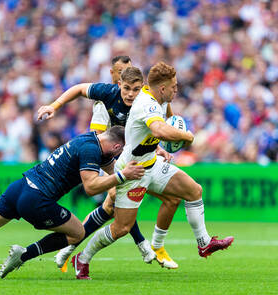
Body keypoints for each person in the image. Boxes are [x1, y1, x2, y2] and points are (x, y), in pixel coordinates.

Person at [70, 61, 234, 279]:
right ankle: (82, 258)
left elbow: (164, 124)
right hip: (132, 172)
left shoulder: (159, 100)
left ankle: (204, 243)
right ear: (163, 88)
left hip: (151, 164)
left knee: (194, 191)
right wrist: (186, 136)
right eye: (174, 86)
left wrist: (170, 135)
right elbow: (159, 129)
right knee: (121, 228)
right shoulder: (148, 104)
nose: (177, 89)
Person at [38, 59, 180, 270]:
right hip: (110, 158)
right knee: (114, 199)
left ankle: (71, 249)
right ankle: (142, 245)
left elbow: (157, 123)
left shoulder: (147, 101)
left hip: (132, 157)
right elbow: (97, 137)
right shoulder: (105, 98)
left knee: (115, 205)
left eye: (136, 88)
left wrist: (158, 147)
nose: (130, 93)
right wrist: (54, 105)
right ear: (115, 77)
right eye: (124, 80)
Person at [0, 126, 145, 278]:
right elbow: (91, 188)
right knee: (78, 232)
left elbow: (110, 167)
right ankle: (23, 255)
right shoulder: (91, 150)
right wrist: (122, 176)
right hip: (36, 198)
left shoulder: (92, 139)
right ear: (117, 147)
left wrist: (123, 180)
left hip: (21, 186)